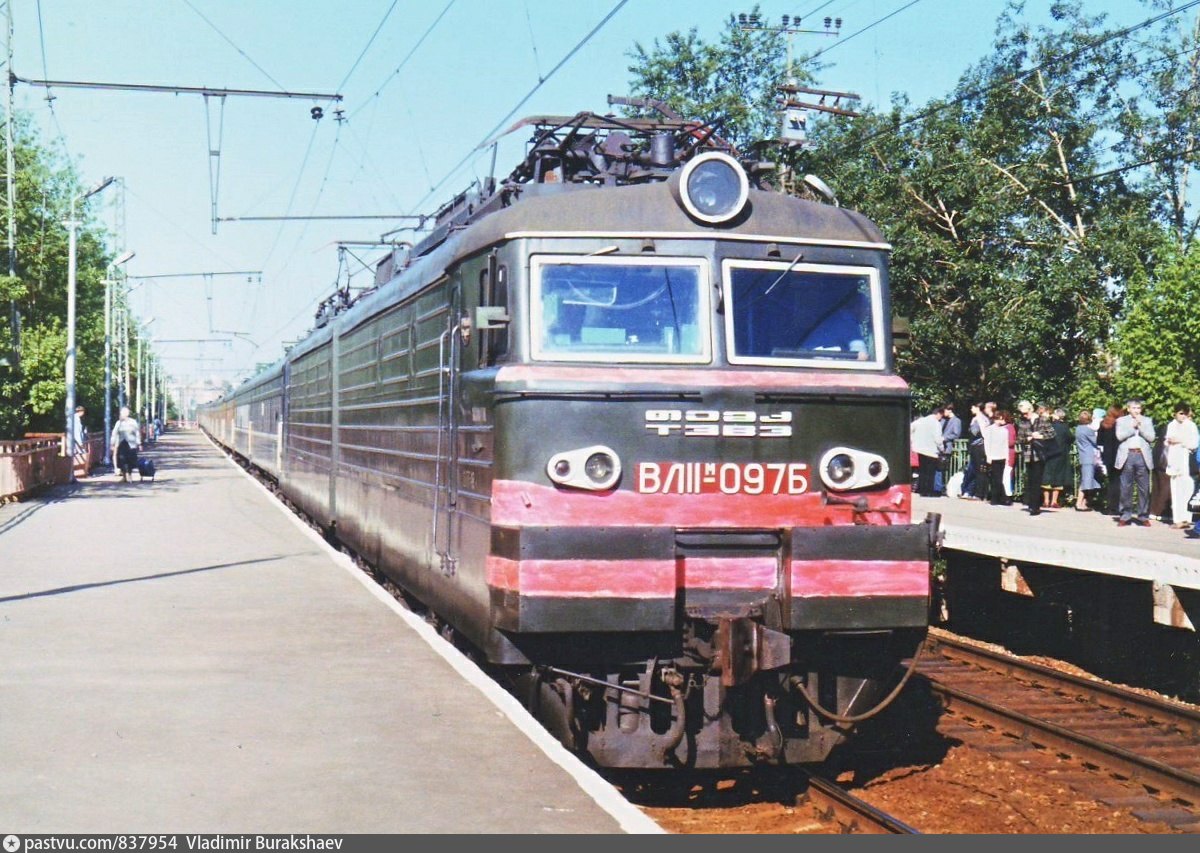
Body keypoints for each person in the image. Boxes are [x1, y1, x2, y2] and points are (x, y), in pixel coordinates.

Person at [1115, 399, 1155, 527]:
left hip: (1142, 455)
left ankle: (1143, 516)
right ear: (1128, 409)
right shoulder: (1121, 421)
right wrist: (1132, 428)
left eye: (1138, 408)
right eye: (1134, 408)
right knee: (1125, 487)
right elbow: (1119, 436)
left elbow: (1151, 438)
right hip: (1127, 455)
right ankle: (1125, 515)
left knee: (1144, 488)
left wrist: (1140, 427)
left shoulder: (1147, 420)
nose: (1136, 411)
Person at [800, 290, 870, 359]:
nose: (868, 312)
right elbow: (861, 356)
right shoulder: (847, 321)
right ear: (857, 306)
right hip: (815, 361)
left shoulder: (837, 318)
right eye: (865, 307)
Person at [1164, 403, 1199, 528]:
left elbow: (1194, 444)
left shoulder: (1191, 426)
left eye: (1185, 414)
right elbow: (1167, 441)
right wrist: (1169, 441)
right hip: (1174, 461)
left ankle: (1186, 519)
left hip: (1186, 462)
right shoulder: (1171, 425)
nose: (1183, 416)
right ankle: (1177, 519)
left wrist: (1180, 441)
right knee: (1176, 491)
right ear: (1175, 414)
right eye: (1180, 413)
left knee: (1187, 490)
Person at [1017, 400, 1053, 516]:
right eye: (1022, 413)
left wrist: (1040, 436)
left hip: (1040, 454)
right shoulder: (1023, 422)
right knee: (1030, 480)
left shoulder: (1042, 420)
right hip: (1028, 454)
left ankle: (1035, 506)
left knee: (1037, 480)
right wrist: (1027, 438)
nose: (1024, 415)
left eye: (1025, 413)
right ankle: (1031, 503)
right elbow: (1019, 438)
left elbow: (1052, 435)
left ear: (1031, 410)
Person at [911, 406, 945, 497]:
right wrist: (942, 448)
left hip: (920, 449)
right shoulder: (936, 424)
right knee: (930, 473)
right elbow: (938, 439)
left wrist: (913, 440)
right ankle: (929, 491)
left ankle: (922, 490)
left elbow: (910, 428)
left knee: (922, 471)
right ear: (938, 414)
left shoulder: (921, 420)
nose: (941, 418)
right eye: (941, 416)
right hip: (931, 451)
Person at [1041, 407, 1071, 509]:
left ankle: (1046, 501)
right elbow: (1070, 438)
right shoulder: (1065, 427)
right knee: (1058, 477)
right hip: (1060, 455)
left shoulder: (1049, 426)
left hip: (1048, 454)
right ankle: (1054, 501)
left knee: (1046, 476)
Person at [1097, 405, 1122, 515]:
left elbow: (1099, 441)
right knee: (1119, 481)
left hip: (1107, 455)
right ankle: (1118, 506)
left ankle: (1110, 506)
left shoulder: (1103, 424)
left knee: (1111, 481)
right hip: (1119, 454)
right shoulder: (1120, 424)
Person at [1074, 409, 1100, 511]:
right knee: (1086, 481)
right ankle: (1079, 503)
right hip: (1089, 456)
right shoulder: (1088, 430)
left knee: (1087, 480)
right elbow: (1097, 441)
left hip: (1083, 456)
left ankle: (1083, 503)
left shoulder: (1078, 429)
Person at [984, 411, 1011, 505]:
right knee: (995, 478)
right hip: (993, 456)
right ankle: (995, 499)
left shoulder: (1005, 431)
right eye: (1001, 419)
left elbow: (1005, 445)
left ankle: (999, 498)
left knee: (999, 478)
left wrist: (1007, 457)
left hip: (1002, 456)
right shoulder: (989, 429)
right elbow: (987, 443)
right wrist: (988, 456)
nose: (1003, 421)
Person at [110, 405, 141, 483]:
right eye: (122, 412)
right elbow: (114, 433)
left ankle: (129, 475)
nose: (123, 414)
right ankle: (124, 476)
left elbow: (137, 433)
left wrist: (139, 443)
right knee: (122, 460)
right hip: (121, 444)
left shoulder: (133, 422)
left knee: (130, 460)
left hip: (131, 444)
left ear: (128, 413)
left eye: (125, 412)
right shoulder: (119, 423)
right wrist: (112, 444)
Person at [938, 402, 961, 496]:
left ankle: (942, 487)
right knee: (939, 468)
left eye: (945, 411)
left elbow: (956, 434)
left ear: (950, 410)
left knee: (943, 468)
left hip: (947, 446)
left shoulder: (956, 421)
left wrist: (945, 438)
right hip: (939, 446)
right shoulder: (943, 420)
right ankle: (938, 487)